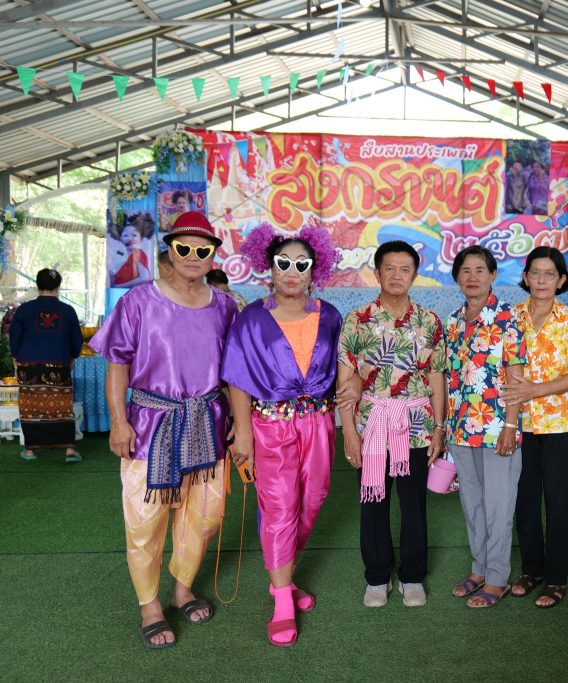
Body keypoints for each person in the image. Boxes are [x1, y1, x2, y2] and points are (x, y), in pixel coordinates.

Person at [89, 211, 237, 649]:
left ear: (213, 255)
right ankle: (150, 604)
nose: (193, 256)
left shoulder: (225, 306)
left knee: (205, 515)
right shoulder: (139, 301)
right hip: (151, 425)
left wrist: (238, 425)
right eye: (184, 247)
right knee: (145, 520)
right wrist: (119, 422)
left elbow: (235, 373)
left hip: (208, 423)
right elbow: (117, 363)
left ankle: (182, 587)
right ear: (169, 251)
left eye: (202, 249)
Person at [221, 223, 342, 647]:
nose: (292, 272)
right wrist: (243, 436)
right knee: (279, 509)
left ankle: (284, 579)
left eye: (301, 265)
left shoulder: (330, 316)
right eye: (283, 263)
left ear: (314, 271)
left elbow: (345, 369)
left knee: (312, 502)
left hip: (319, 424)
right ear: (269, 268)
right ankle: (282, 602)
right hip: (270, 426)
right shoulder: (251, 318)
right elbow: (238, 379)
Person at [338, 241, 447, 609]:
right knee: (373, 502)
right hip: (371, 426)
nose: (397, 275)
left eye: (405, 269)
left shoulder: (429, 321)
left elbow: (436, 378)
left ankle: (412, 576)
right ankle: (377, 576)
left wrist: (439, 428)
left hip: (416, 426)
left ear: (414, 275)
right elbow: (345, 381)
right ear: (377, 273)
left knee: (414, 504)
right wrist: (349, 433)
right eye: (390, 268)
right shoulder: (357, 319)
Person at [500, 247, 568, 608]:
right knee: (525, 499)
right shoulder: (510, 317)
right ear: (525, 277)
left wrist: (536, 390)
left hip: (562, 422)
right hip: (520, 422)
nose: (541, 280)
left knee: (559, 501)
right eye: (534, 272)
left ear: (561, 280)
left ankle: (556, 578)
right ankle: (532, 570)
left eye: (549, 274)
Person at [445, 245, 527, 608]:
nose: (472, 277)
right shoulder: (452, 321)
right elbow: (449, 377)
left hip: (497, 428)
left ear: (493, 275)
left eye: (480, 270)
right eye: (465, 271)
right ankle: (478, 568)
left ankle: (497, 578)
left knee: (498, 506)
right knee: (472, 504)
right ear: (457, 278)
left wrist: (510, 424)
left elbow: (516, 377)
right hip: (460, 428)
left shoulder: (508, 318)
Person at [9, 268, 83, 463]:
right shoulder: (68, 311)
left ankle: (30, 450)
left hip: (28, 365)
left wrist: (15, 357)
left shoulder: (24, 310)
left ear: (37, 286)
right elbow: (76, 340)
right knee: (62, 405)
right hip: (58, 364)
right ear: (58, 287)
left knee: (31, 406)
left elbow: (14, 337)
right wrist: (72, 357)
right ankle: (69, 449)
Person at [111, 222, 152, 287]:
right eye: (125, 235)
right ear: (121, 239)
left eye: (134, 235)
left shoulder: (137, 254)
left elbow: (145, 277)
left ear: (141, 238)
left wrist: (118, 286)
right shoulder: (123, 261)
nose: (129, 238)